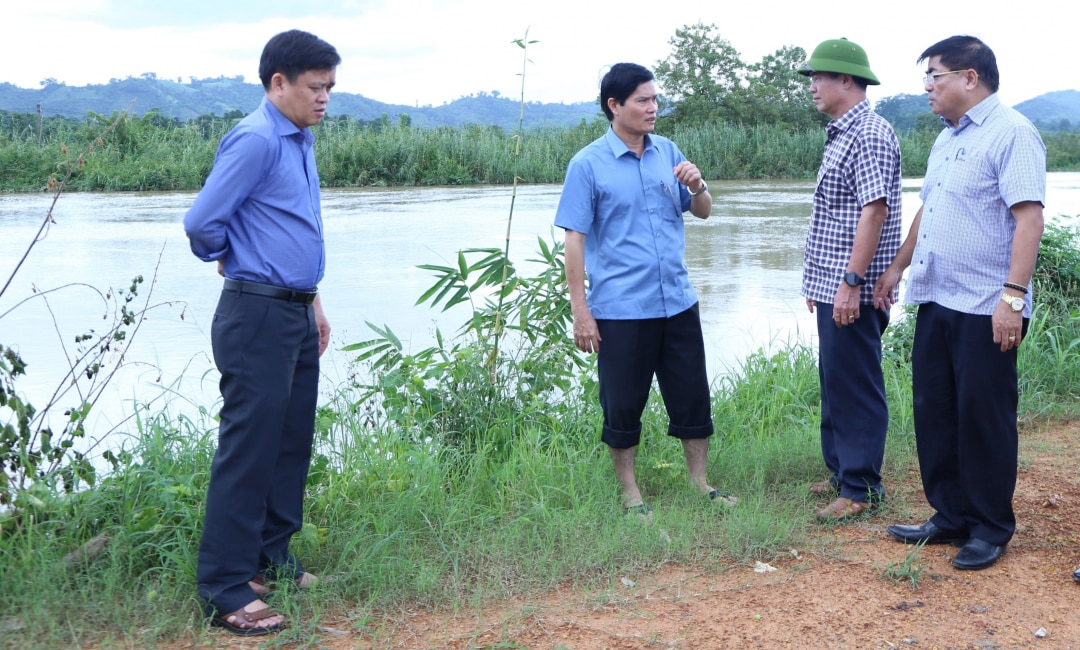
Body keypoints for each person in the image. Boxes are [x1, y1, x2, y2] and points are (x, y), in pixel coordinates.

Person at [183, 29, 339, 634]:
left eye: (330, 88)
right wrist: (230, 254)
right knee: (249, 449)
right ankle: (224, 586)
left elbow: (292, 229)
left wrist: (314, 304)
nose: (325, 99)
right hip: (256, 315)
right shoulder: (254, 139)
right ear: (279, 83)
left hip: (296, 310)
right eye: (315, 88)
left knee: (289, 441)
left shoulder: (299, 138)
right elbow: (201, 224)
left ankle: (271, 559)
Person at [874, 35, 1045, 571]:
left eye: (936, 75)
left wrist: (1012, 299)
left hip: (985, 303)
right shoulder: (947, 139)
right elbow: (930, 210)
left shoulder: (1013, 133)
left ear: (970, 78)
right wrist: (899, 265)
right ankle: (949, 515)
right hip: (937, 297)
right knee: (936, 412)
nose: (928, 86)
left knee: (984, 417)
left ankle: (990, 527)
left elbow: (1028, 218)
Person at [554, 62, 735, 517]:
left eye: (655, 99)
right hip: (620, 308)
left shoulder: (667, 151)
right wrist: (581, 311)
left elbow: (704, 211)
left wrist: (699, 185)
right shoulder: (587, 164)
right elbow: (573, 241)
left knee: (692, 395)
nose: (653, 108)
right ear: (614, 106)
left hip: (677, 300)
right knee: (622, 402)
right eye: (642, 100)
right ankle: (631, 494)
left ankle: (700, 483)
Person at [796, 39, 902, 521]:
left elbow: (873, 210)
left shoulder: (869, 133)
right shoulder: (841, 132)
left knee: (855, 383)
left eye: (820, 77)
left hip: (853, 289)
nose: (812, 86)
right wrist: (820, 283)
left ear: (847, 80)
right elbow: (834, 218)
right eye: (811, 78)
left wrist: (851, 282)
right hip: (833, 286)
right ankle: (844, 474)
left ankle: (860, 490)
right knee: (836, 380)